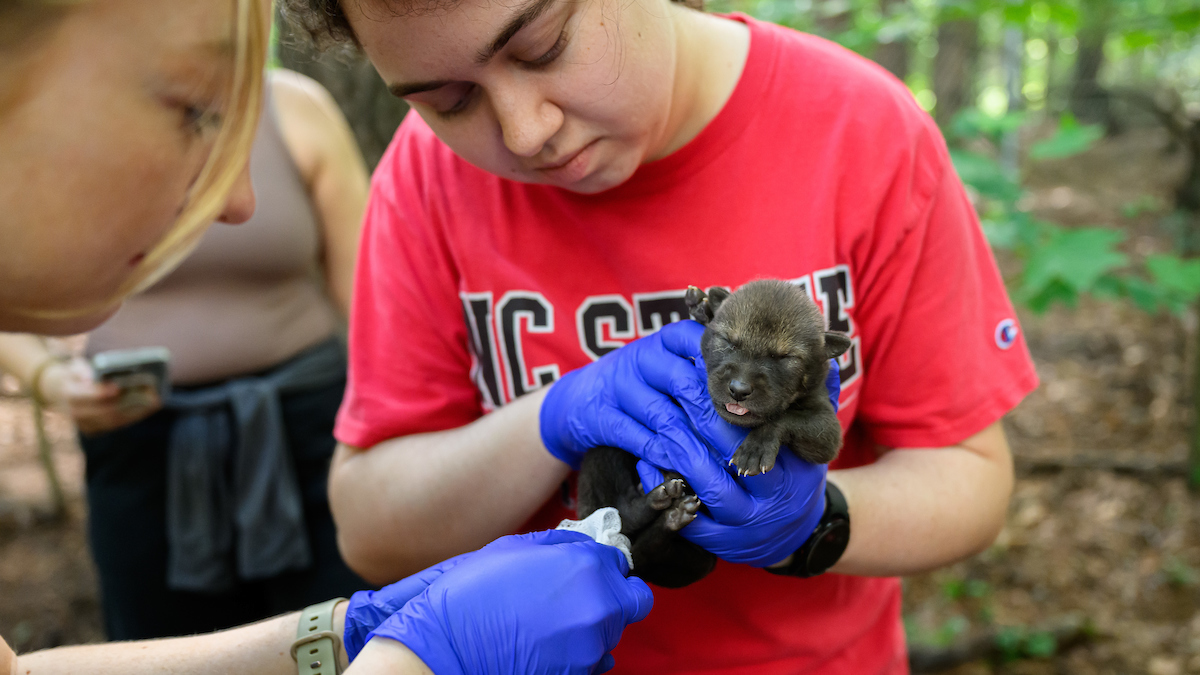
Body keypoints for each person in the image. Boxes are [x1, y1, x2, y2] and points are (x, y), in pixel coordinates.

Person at [281, 0, 1040, 671]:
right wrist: (554, 419)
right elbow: (372, 526)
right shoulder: (425, 179)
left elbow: (971, 476)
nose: (525, 130)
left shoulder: (862, 130)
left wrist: (816, 521)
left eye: (544, 46)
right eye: (448, 100)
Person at [0, 0, 651, 672]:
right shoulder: (425, 180)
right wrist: (413, 661)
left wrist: (343, 635)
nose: (237, 201)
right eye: (194, 107)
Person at [0, 65, 370, 641]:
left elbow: (371, 301)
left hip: (310, 435)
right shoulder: (55, 123)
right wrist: (49, 379)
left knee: (335, 635)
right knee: (162, 646)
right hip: (142, 446)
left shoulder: (297, 109)